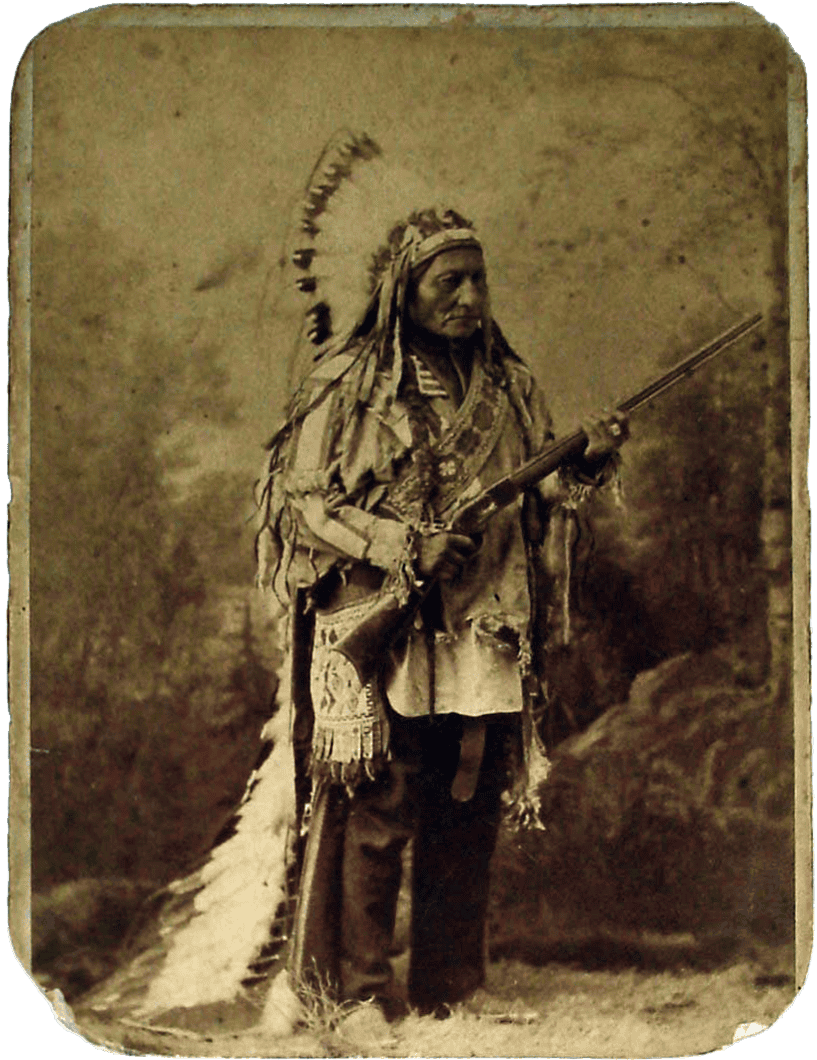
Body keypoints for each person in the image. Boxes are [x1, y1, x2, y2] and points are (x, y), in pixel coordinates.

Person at [256, 193, 627, 1033]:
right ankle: (353, 995)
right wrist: (397, 544)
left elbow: (546, 493)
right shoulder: (348, 385)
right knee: (380, 808)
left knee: (466, 806)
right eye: (446, 283)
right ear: (402, 291)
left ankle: (448, 992)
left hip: (484, 623)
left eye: (477, 280)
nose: (467, 298)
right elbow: (301, 500)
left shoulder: (510, 386)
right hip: (379, 625)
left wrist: (589, 459)